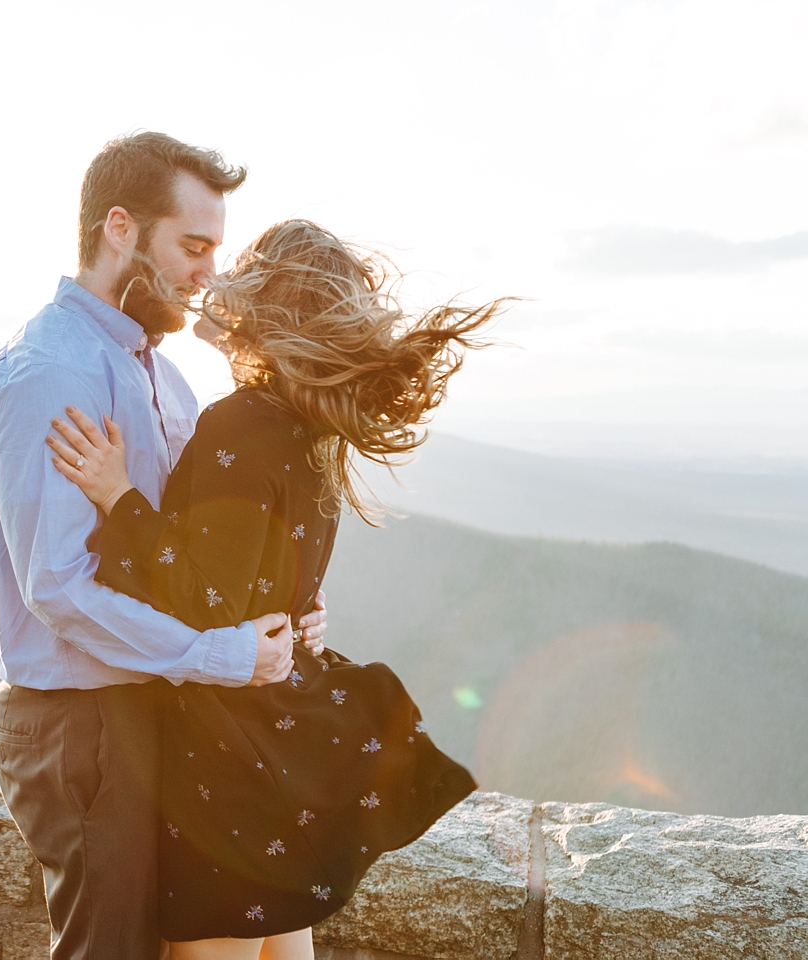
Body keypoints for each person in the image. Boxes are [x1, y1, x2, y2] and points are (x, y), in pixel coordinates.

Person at [46, 219, 499, 960]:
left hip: (229, 761)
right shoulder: (310, 431)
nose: (218, 278)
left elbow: (201, 601)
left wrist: (117, 494)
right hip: (280, 748)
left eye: (242, 268)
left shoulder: (240, 424)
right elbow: (267, 582)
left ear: (267, 305)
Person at [0, 133, 331, 960]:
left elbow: (192, 561)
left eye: (215, 249)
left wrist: (287, 610)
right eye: (193, 247)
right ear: (121, 230)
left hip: (163, 703)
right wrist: (218, 654)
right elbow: (58, 588)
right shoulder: (52, 373)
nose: (209, 273)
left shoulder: (164, 377)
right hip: (84, 719)